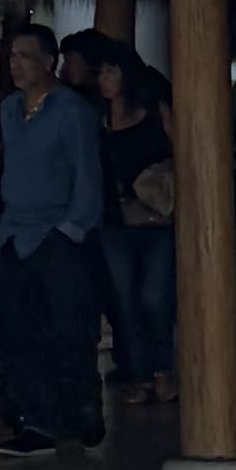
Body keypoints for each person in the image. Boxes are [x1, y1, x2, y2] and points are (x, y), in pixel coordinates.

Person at [0, 23, 111, 452]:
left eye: (24, 56)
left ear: (48, 61)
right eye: (11, 57)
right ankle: (34, 420)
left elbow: (87, 175)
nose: (15, 64)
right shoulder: (8, 109)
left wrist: (71, 230)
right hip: (14, 233)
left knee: (68, 328)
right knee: (17, 331)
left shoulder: (73, 111)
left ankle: (81, 410)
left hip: (57, 233)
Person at [79, 35, 177, 413]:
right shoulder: (97, 119)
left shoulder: (154, 111)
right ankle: (140, 376)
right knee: (125, 301)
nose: (105, 80)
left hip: (156, 220)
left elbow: (181, 153)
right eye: (101, 73)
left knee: (154, 297)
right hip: (115, 221)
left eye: (111, 72)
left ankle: (162, 370)